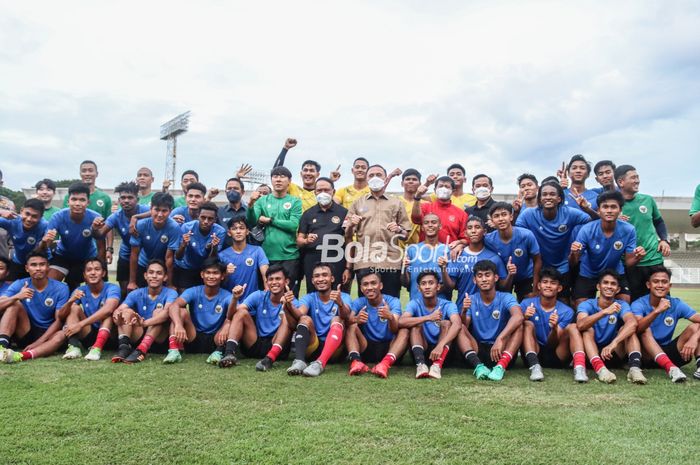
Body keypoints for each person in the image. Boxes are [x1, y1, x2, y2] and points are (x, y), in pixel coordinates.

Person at [515, 181, 590, 299]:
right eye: (544, 194)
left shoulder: (569, 212)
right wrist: (515, 212)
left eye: (552, 194)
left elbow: (595, 222)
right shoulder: (529, 214)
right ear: (539, 199)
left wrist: (587, 209)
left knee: (563, 300)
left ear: (559, 199)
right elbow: (515, 231)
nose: (548, 197)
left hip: (563, 265)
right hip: (538, 265)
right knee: (536, 300)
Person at [569, 190, 644, 307]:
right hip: (589, 273)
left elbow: (629, 262)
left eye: (613, 207)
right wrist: (574, 253)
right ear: (599, 210)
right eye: (605, 207)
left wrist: (638, 257)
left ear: (620, 210)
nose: (609, 210)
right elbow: (573, 262)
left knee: (624, 303)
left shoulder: (629, 230)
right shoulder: (587, 229)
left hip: (615, 272)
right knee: (580, 306)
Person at [344, 164, 410, 297]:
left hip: (390, 261)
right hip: (364, 260)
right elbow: (347, 236)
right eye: (371, 175)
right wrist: (350, 225)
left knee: (390, 301)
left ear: (385, 178)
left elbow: (406, 234)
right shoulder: (357, 203)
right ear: (367, 179)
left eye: (379, 175)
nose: (375, 178)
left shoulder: (396, 203)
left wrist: (398, 229)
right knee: (366, 302)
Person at [218, 264, 297, 371]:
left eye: (278, 279)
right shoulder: (258, 295)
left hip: (278, 346)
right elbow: (231, 316)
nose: (274, 282)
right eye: (270, 279)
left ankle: (269, 359)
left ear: (286, 282)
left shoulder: (293, 302)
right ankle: (229, 354)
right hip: (255, 342)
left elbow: (293, 326)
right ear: (267, 282)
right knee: (241, 312)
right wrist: (235, 299)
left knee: (286, 317)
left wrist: (287, 307)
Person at [455, 260, 524, 381]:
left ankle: (501, 366)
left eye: (488, 275)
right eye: (480, 276)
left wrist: (500, 338)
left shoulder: (505, 297)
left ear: (496, 277)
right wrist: (464, 311)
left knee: (520, 326)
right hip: (478, 349)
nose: (484, 279)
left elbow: (518, 316)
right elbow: (464, 325)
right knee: (459, 327)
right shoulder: (471, 299)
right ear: (474, 280)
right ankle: (478, 366)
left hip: (501, 348)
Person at [575, 270, 646, 384]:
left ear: (617, 289)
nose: (609, 286)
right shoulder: (587, 304)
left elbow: (633, 323)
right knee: (587, 329)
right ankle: (600, 369)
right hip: (591, 354)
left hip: (611, 352)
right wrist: (604, 312)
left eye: (613, 284)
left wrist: (614, 343)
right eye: (605, 283)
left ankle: (635, 369)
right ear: (598, 286)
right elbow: (580, 324)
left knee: (628, 329)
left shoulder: (621, 304)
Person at [166, 259, 241, 364]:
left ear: (222, 276)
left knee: (231, 320)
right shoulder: (193, 291)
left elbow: (236, 314)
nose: (211, 276)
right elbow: (174, 306)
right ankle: (174, 350)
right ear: (202, 274)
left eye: (215, 273)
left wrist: (227, 324)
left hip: (216, 339)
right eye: (208, 273)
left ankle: (219, 351)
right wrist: (178, 325)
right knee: (181, 311)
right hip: (193, 336)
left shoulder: (227, 295)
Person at [520, 268, 588, 382]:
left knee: (572, 327)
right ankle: (535, 367)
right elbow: (515, 328)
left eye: (553, 283)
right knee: (527, 323)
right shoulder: (526, 304)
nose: (548, 286)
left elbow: (553, 343)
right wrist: (524, 317)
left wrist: (555, 327)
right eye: (545, 282)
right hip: (533, 351)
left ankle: (580, 368)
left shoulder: (567, 311)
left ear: (559, 288)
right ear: (539, 285)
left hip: (557, 354)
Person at [633, 266, 700, 382]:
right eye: (656, 281)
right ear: (648, 285)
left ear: (669, 286)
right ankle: (672, 369)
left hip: (668, 352)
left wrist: (694, 338)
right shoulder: (639, 303)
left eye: (664, 282)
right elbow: (637, 328)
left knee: (695, 328)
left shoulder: (676, 303)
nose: (660, 285)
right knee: (645, 330)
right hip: (646, 356)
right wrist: (657, 310)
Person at [284, 263, 352, 377]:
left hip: (335, 351)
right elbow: (299, 314)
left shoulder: (344, 297)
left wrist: (340, 304)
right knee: (304, 319)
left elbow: (346, 315)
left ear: (332, 278)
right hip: (314, 346)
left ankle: (320, 363)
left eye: (325, 275)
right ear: (312, 280)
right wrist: (289, 305)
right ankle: (299, 361)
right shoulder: (309, 297)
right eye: (317, 276)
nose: (320, 279)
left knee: (338, 319)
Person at [0, 251, 68, 363]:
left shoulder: (61, 288)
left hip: (48, 333)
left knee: (61, 335)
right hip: (26, 330)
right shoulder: (19, 284)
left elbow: (59, 320)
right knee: (14, 304)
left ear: (48, 267)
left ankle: (21, 356)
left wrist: (38, 342)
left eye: (42, 264)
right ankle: (1, 347)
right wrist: (17, 296)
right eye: (33, 265)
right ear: (27, 268)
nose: (38, 268)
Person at [615, 165, 670, 300]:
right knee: (634, 305)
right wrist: (615, 221)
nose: (637, 181)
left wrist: (664, 239)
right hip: (630, 263)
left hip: (654, 260)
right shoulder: (613, 206)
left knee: (662, 302)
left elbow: (659, 222)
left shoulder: (647, 200)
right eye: (633, 177)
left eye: (637, 177)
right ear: (621, 182)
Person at [247, 166, 302, 292]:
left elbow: (293, 225)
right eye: (275, 176)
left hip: (289, 256)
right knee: (267, 292)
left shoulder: (295, 201)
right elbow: (251, 221)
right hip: (267, 255)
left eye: (282, 176)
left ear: (289, 181)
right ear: (271, 180)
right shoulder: (262, 200)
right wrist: (250, 204)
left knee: (289, 292)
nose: (278, 179)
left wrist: (270, 220)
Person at [111, 259, 178, 363]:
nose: (154, 276)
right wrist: (117, 319)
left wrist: (145, 323)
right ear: (145, 275)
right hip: (139, 334)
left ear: (165, 277)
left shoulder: (171, 293)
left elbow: (166, 314)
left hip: (159, 338)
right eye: (151, 273)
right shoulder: (136, 293)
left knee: (159, 312)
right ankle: (124, 347)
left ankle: (142, 350)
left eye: (159, 273)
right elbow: (119, 309)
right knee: (127, 311)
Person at [399, 270, 462, 379]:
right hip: (422, 349)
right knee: (415, 325)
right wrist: (429, 317)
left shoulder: (448, 304)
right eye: (423, 284)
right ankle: (421, 365)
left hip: (442, 352)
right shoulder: (414, 303)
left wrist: (440, 345)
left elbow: (457, 324)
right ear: (419, 288)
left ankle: (437, 366)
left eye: (431, 283)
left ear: (438, 287)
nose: (427, 287)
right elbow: (401, 322)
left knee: (447, 323)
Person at [346, 270, 408, 378]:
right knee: (352, 325)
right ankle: (356, 361)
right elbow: (348, 320)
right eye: (365, 284)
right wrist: (356, 319)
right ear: (361, 288)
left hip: (390, 347)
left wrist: (390, 318)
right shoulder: (359, 302)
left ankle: (385, 364)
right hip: (367, 347)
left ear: (381, 286)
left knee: (404, 330)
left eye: (373, 283)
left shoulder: (393, 301)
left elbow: (394, 329)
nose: (369, 287)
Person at [56, 258, 120, 361]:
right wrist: (70, 301)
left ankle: (97, 348)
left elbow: (108, 309)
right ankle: (74, 347)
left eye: (97, 269)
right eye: (89, 270)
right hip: (88, 335)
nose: (93, 273)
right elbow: (60, 316)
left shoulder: (112, 288)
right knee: (73, 308)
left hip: (110, 336)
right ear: (84, 275)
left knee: (107, 313)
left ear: (103, 273)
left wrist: (80, 324)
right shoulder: (80, 290)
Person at [94, 182, 149, 296]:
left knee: (143, 290)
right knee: (125, 290)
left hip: (145, 254)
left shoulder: (145, 210)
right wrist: (94, 228)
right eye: (123, 198)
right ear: (119, 201)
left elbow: (158, 212)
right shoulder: (116, 216)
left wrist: (136, 217)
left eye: (130, 197)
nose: (126, 200)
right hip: (126, 254)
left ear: (137, 199)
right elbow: (100, 234)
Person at [47, 183, 104, 290]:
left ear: (88, 202)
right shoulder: (58, 217)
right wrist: (47, 241)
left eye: (82, 200)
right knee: (50, 285)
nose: (77, 203)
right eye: (74, 199)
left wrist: (101, 265)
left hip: (86, 257)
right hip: (62, 255)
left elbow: (100, 241)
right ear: (68, 201)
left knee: (86, 288)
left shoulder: (95, 217)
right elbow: (47, 243)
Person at [443, 216, 509, 307]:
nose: (473, 231)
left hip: (488, 310)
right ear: (466, 233)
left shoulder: (494, 258)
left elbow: (503, 287)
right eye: (470, 228)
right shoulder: (457, 255)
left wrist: (511, 274)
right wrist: (443, 268)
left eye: (477, 227)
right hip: (463, 309)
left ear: (484, 232)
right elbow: (450, 286)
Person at [297, 177, 348, 292]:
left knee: (337, 292)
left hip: (336, 258)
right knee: (313, 292)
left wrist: (348, 268)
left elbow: (349, 239)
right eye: (319, 190)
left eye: (326, 190)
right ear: (315, 192)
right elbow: (299, 239)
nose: (323, 193)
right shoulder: (308, 213)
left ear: (333, 192)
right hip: (313, 258)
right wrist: (306, 241)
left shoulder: (343, 212)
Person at [485, 202, 541, 301]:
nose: (501, 219)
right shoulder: (488, 240)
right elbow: (473, 243)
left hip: (525, 277)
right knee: (502, 307)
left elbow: (537, 260)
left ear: (511, 217)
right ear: (492, 221)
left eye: (504, 214)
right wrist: (460, 244)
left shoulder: (526, 235)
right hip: (503, 279)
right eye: (496, 216)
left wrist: (536, 287)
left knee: (529, 306)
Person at [128, 192, 181, 291]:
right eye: (157, 210)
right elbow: (134, 254)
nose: (160, 214)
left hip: (163, 266)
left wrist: (169, 284)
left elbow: (169, 258)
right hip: (144, 264)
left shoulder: (174, 227)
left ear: (170, 211)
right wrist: (132, 282)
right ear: (151, 209)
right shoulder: (140, 225)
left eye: (164, 211)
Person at [273, 138, 341, 211]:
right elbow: (276, 172)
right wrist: (285, 148)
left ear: (317, 174)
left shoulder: (320, 193)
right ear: (301, 174)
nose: (308, 173)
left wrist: (330, 181)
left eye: (311, 170)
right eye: (305, 170)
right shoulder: (292, 188)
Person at [173, 202, 226, 292]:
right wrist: (183, 245)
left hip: (205, 269)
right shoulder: (186, 227)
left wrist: (214, 247)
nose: (206, 221)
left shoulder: (220, 231)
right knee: (183, 298)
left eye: (210, 219)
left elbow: (213, 260)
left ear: (215, 219)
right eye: (203, 217)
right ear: (198, 216)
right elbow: (178, 256)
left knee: (202, 298)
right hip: (186, 267)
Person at [411, 176, 468, 256]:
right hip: (425, 255)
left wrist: (460, 244)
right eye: (440, 186)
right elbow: (415, 219)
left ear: (453, 191)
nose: (443, 188)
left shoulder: (461, 214)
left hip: (449, 256)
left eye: (447, 187)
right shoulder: (425, 207)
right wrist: (417, 197)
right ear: (435, 190)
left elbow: (466, 239)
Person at [402, 214, 451, 301]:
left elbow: (450, 285)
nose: (430, 225)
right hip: (416, 303)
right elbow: (405, 283)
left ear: (440, 226)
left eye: (434, 222)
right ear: (422, 228)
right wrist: (404, 269)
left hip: (440, 303)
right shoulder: (412, 250)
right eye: (426, 223)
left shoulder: (447, 250)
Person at [219, 217, 269, 300]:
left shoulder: (257, 251)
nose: (238, 231)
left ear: (247, 231)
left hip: (252, 301)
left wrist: (267, 289)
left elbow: (266, 274)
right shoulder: (222, 255)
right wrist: (226, 273)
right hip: (229, 301)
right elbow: (217, 282)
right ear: (229, 232)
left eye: (242, 228)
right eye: (234, 229)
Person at [0, 198, 47, 280]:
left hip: (38, 262)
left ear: (41, 217)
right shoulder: (12, 221)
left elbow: (38, 251)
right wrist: (1, 212)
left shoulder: (45, 226)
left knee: (39, 288)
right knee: (11, 287)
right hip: (19, 261)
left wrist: (44, 241)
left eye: (34, 216)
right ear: (21, 211)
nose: (29, 219)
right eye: (27, 214)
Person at [397, 169, 432, 247]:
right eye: (407, 179)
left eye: (414, 179)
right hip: (398, 248)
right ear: (402, 183)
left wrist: (428, 183)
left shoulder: (427, 204)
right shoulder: (395, 202)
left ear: (420, 184)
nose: (411, 181)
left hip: (420, 248)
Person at [0, 169, 16, 261]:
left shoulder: (8, 203)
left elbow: (13, 229)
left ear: (1, 183)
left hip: (3, 257)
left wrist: (12, 252)